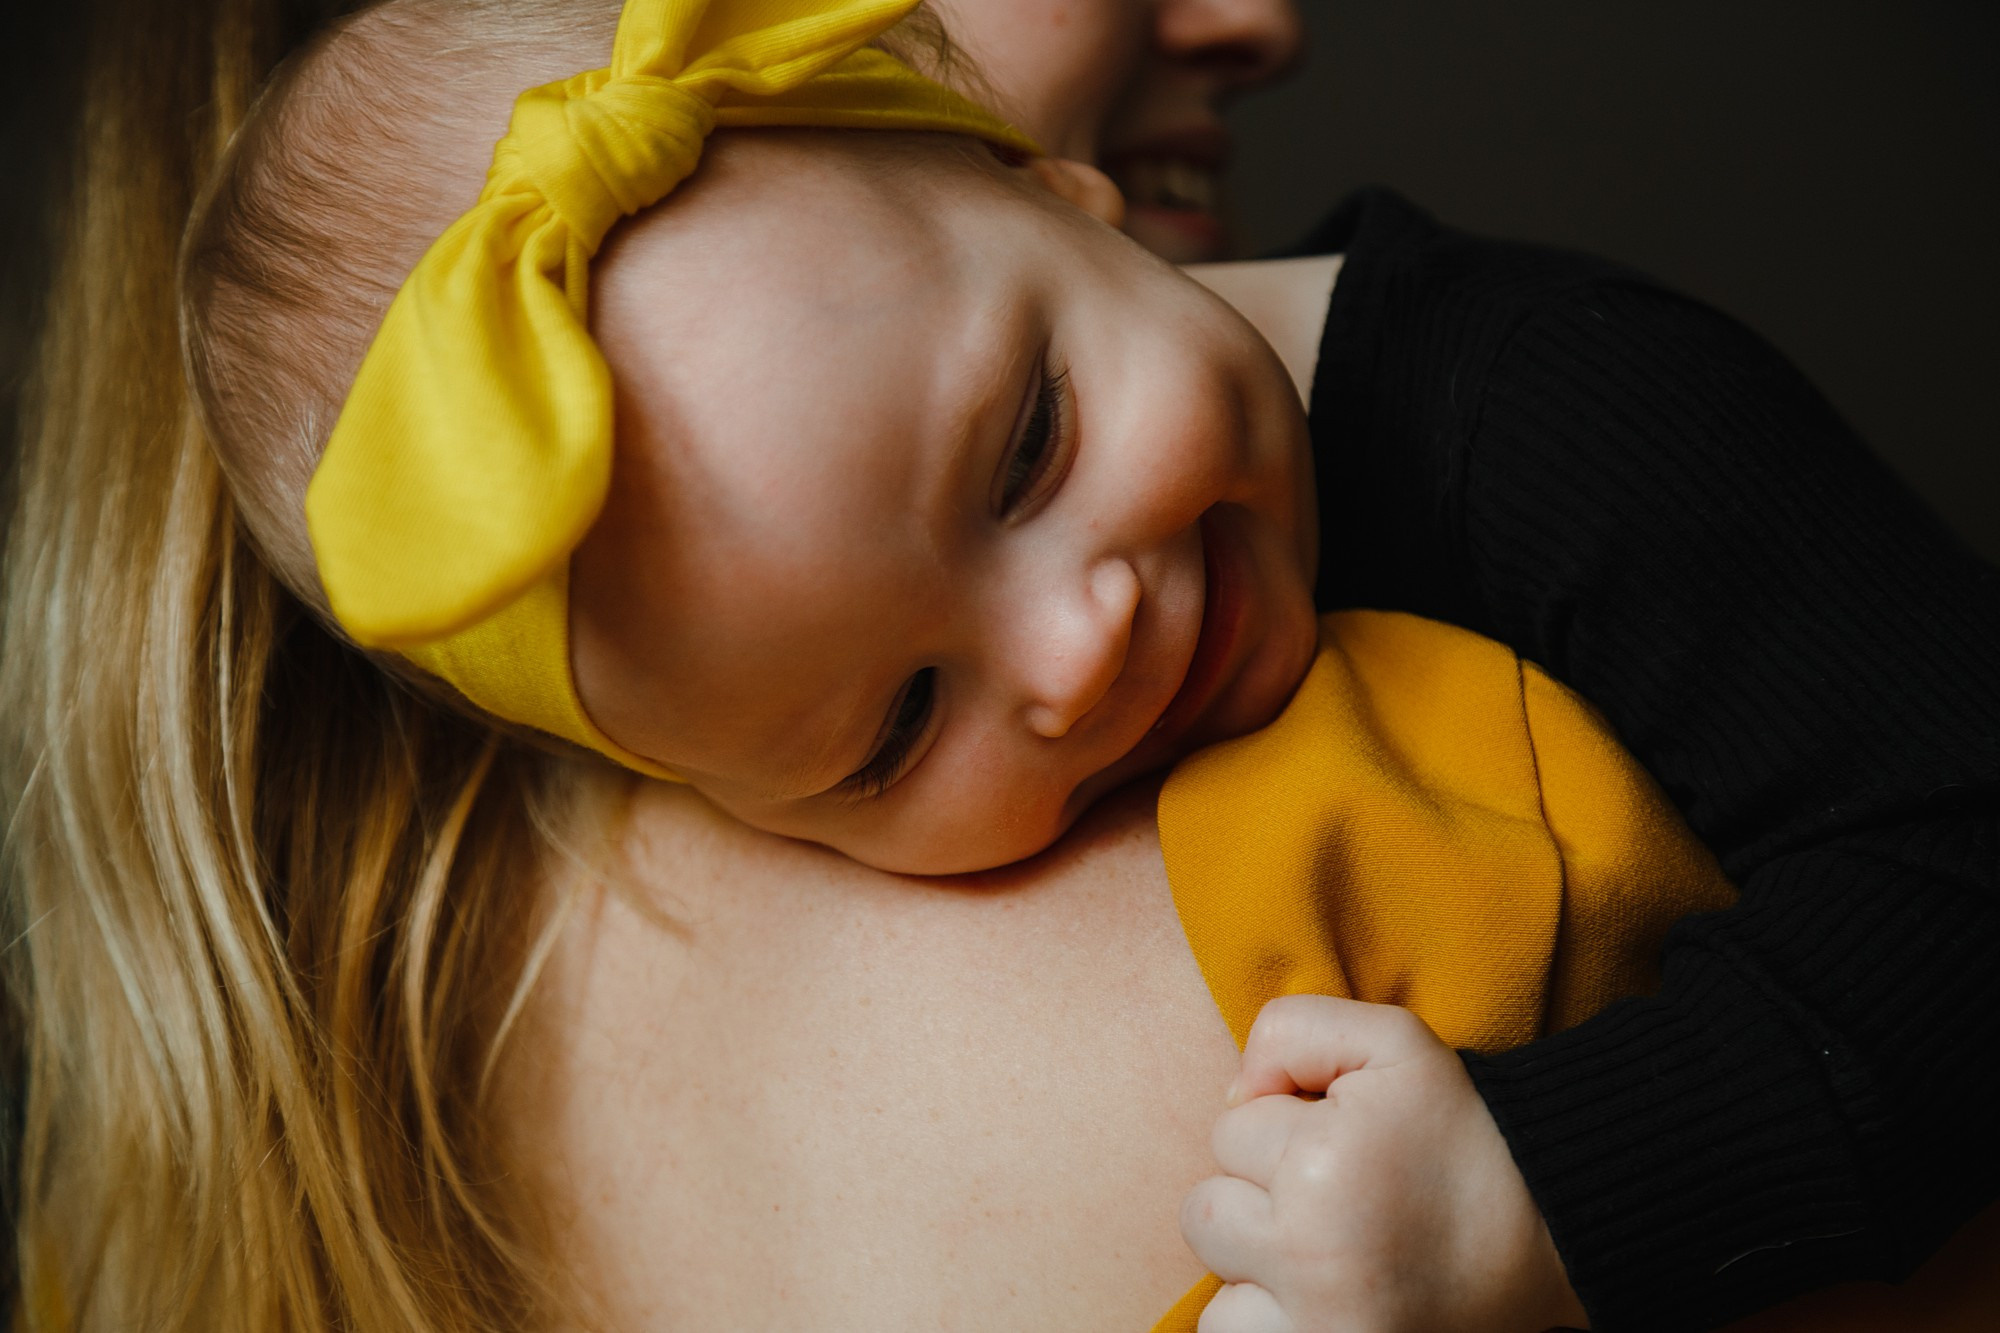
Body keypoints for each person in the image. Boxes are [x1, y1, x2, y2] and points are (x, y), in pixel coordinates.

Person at [3, 0, 1994, 1331]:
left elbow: (1963, 860)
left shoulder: (1578, 413)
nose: (1073, 649)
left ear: (1052, 187)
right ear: (711, 797)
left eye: (1027, 441)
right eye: (888, 725)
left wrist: (1546, 1196)